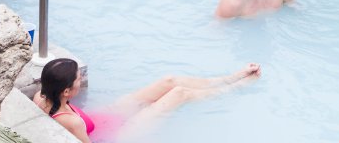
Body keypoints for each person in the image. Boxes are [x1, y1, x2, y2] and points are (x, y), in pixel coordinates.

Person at [33, 57, 261, 142]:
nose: (80, 79)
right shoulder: (72, 122)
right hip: (117, 135)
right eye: (77, 78)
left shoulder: (41, 98)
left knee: (169, 81)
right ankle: (238, 86)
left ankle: (231, 77)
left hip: (102, 117)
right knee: (179, 94)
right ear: (65, 91)